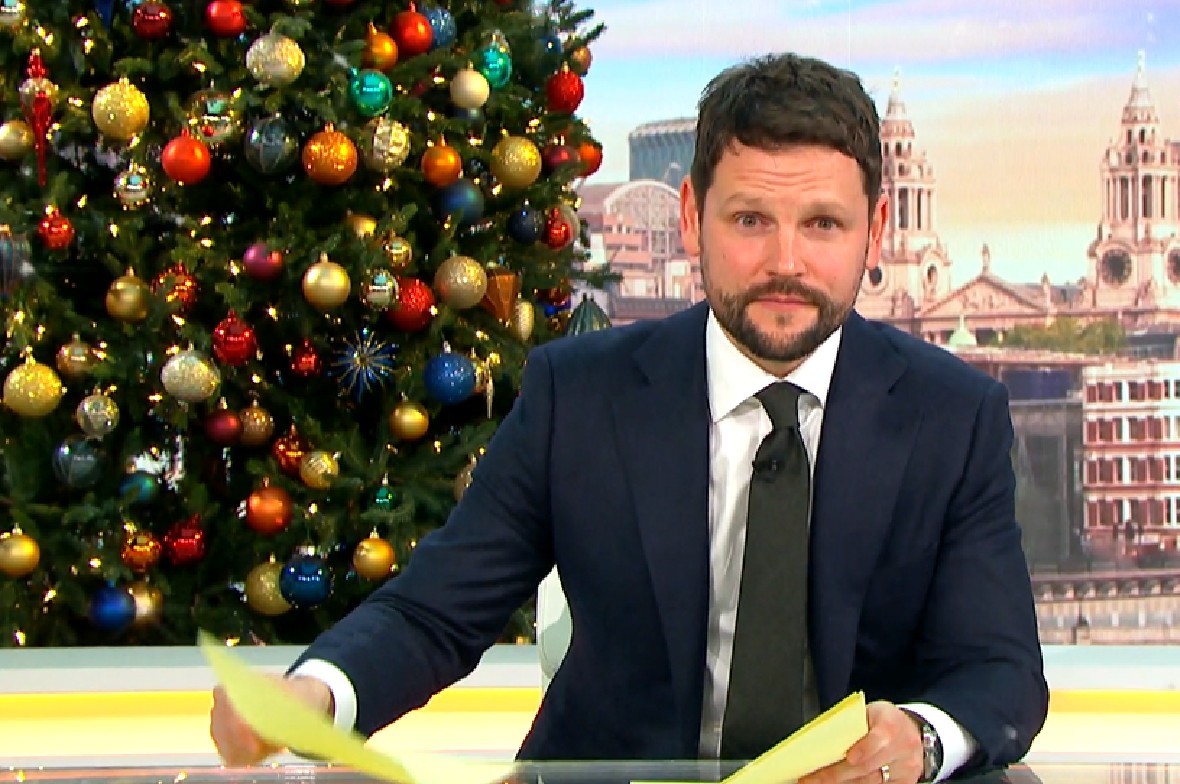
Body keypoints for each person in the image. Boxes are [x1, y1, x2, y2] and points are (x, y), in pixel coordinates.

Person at [210, 52, 1048, 784]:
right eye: (750, 220)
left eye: (822, 224)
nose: (786, 263)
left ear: (876, 231)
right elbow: (435, 611)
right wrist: (313, 694)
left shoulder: (954, 416)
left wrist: (923, 740)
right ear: (691, 218)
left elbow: (1000, 672)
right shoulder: (581, 395)